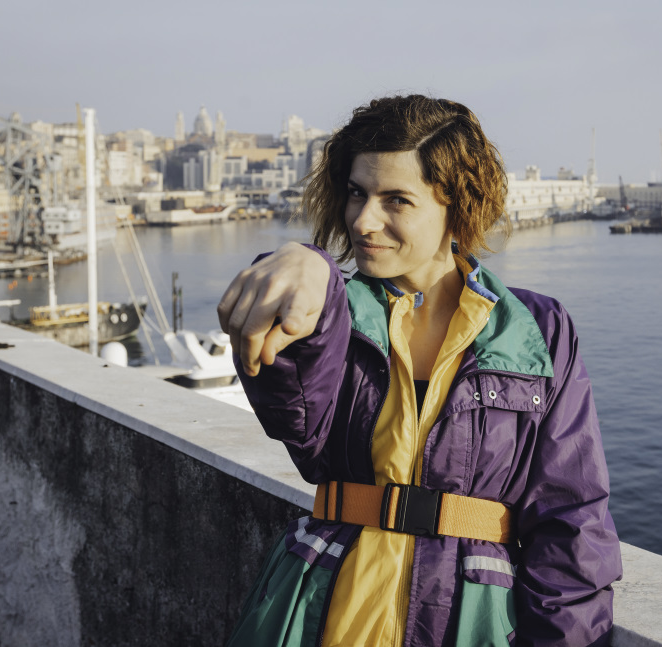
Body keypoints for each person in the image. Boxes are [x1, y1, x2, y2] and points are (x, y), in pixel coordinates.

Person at [217, 95, 621, 647]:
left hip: (470, 623)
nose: (363, 220)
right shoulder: (332, 316)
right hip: (322, 614)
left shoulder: (538, 330)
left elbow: (572, 521)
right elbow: (295, 413)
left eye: (396, 200)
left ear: (456, 205)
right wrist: (302, 263)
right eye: (356, 193)